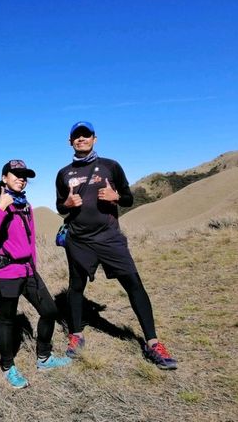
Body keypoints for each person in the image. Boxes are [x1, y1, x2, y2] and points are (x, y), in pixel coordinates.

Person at [55, 121, 177, 370]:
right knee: (75, 288)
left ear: (94, 139)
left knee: (134, 285)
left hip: (110, 238)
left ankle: (153, 343)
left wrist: (117, 197)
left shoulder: (111, 166)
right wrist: (66, 204)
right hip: (78, 241)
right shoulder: (63, 173)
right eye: (76, 136)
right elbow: (59, 206)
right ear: (70, 142)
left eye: (86, 135)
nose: (81, 139)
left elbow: (129, 198)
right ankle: (76, 335)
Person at [0, 159, 72, 389]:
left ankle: (44, 357)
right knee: (7, 320)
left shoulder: (25, 205)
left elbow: (30, 242)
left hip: (28, 270)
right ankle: (7, 366)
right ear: (4, 178)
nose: (22, 178)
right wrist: (2, 206)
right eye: (16, 174)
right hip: (4, 272)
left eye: (25, 175)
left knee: (49, 310)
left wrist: (34, 266)